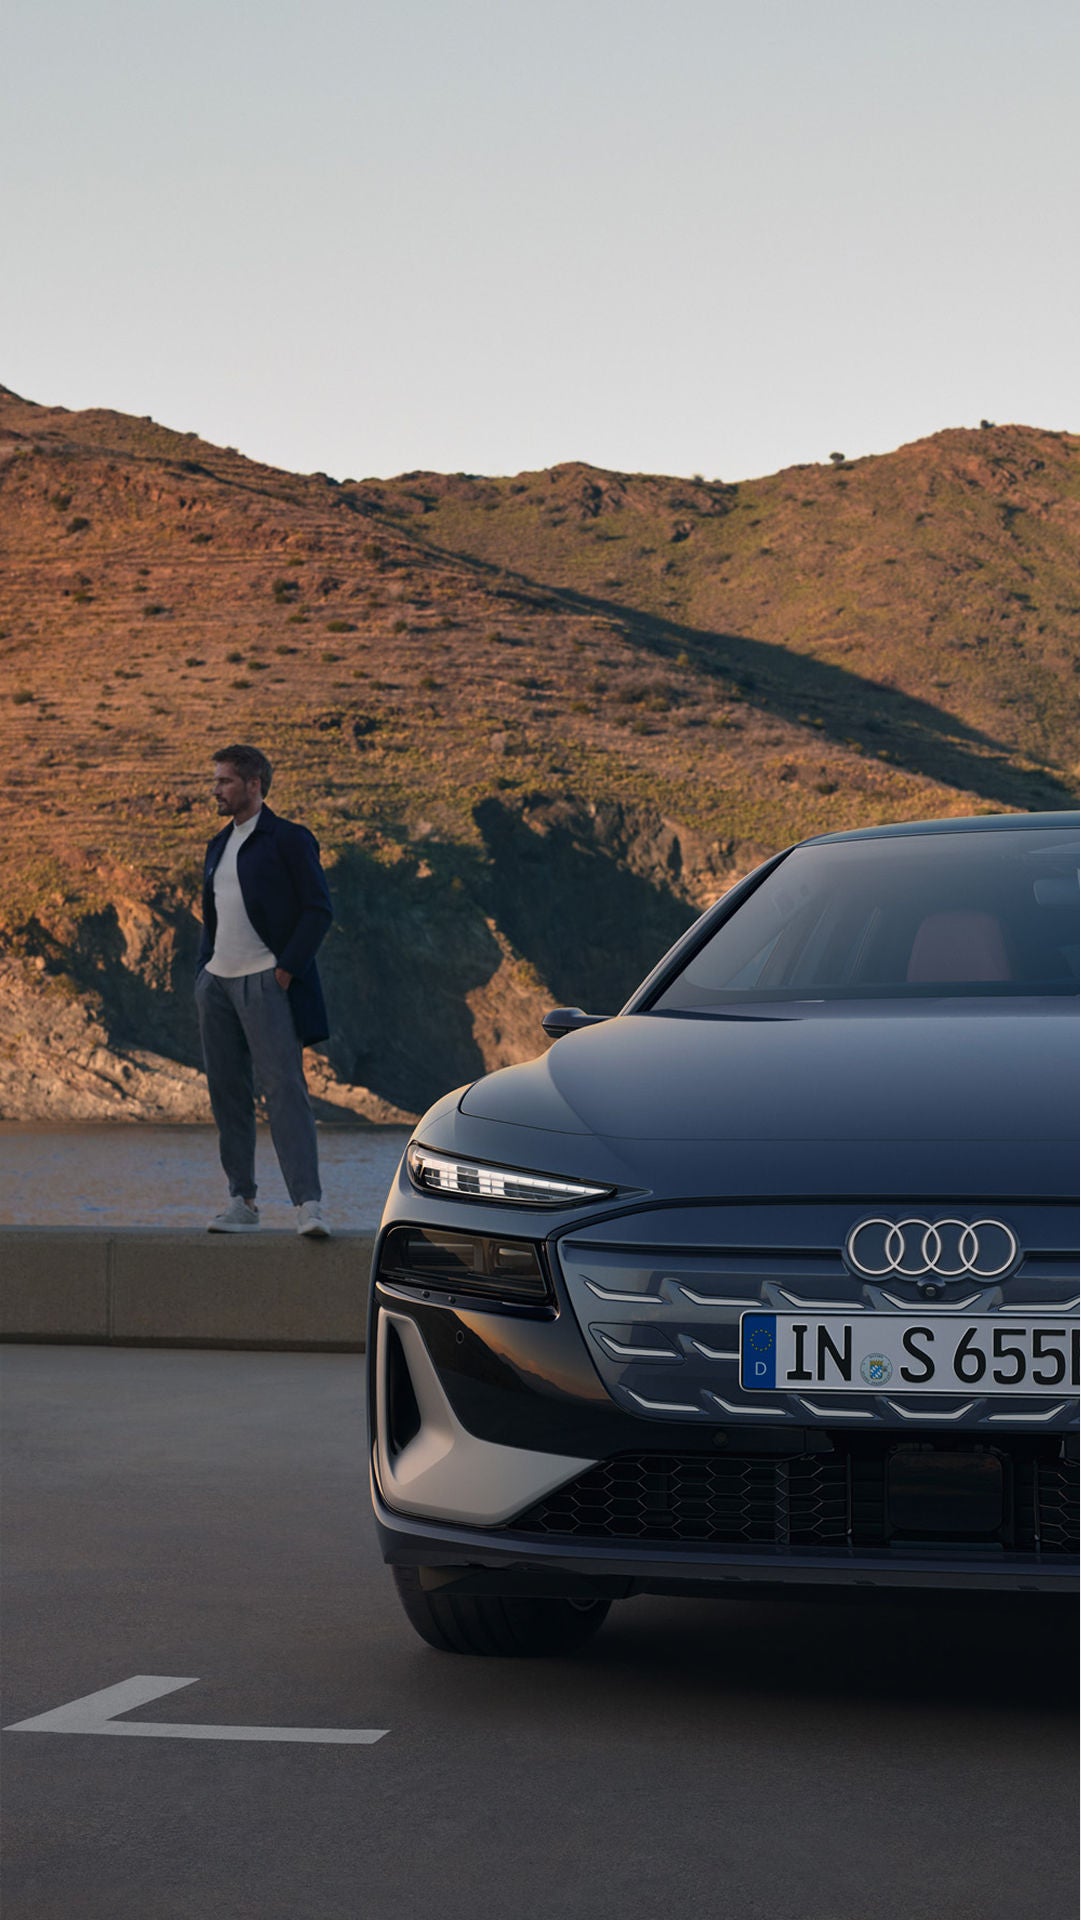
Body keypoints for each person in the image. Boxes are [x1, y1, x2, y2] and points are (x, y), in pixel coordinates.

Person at [195, 743, 334, 1236]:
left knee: (285, 1092)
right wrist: (204, 972)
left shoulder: (289, 839)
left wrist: (286, 970)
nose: (216, 789)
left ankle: (308, 1206)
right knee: (227, 1095)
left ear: (254, 785)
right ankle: (243, 1202)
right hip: (217, 985)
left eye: (225, 781)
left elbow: (319, 909)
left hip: (266, 982)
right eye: (216, 780)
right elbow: (214, 917)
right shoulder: (217, 844)